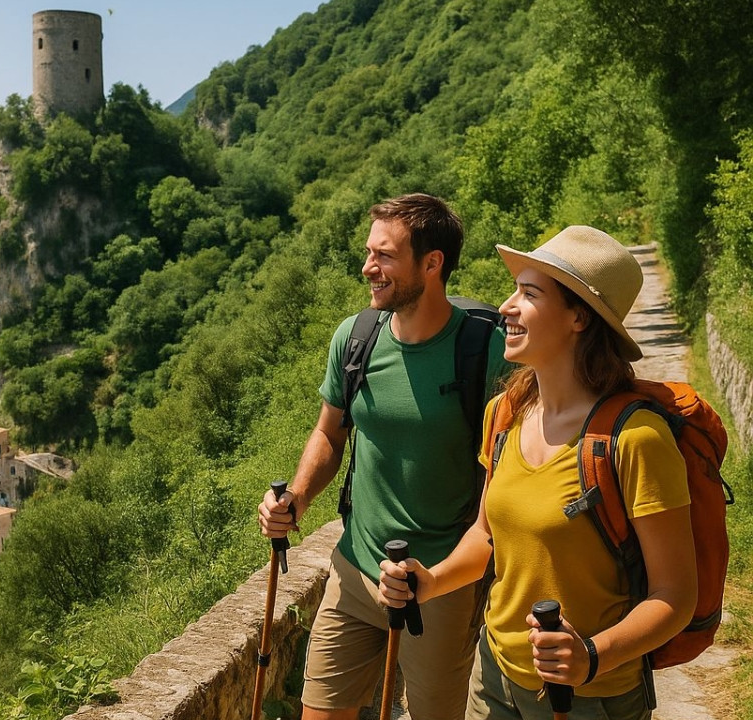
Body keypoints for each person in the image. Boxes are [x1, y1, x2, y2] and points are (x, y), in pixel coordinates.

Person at [377, 226, 698, 720]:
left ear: (579, 317)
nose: (506, 306)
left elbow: (675, 596)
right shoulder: (504, 413)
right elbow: (486, 535)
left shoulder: (635, 440)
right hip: (494, 677)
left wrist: (590, 657)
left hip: (591, 697)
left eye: (529, 293)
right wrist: (430, 580)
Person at [258, 193, 511, 720]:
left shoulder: (486, 353)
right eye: (369, 252)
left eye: (385, 255)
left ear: (432, 262)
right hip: (354, 568)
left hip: (440, 583)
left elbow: (502, 476)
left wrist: (449, 573)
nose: (368, 267)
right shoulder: (355, 339)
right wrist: (298, 498)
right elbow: (330, 433)